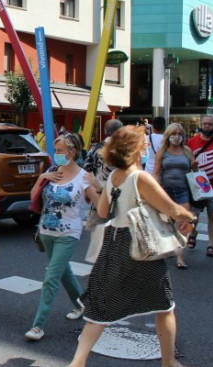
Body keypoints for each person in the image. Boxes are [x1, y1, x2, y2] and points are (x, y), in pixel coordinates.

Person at [66, 125, 195, 367]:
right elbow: (172, 208)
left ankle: (77, 362)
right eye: (143, 143)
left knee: (101, 307)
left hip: (115, 243)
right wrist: (189, 218)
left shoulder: (114, 176)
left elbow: (104, 211)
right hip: (140, 247)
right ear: (136, 149)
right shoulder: (140, 177)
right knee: (165, 306)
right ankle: (168, 362)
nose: (146, 146)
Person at [24, 134, 102, 341]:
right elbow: (32, 196)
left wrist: (99, 186)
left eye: (60, 150)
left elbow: (101, 205)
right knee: (64, 271)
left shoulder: (83, 177)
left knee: (51, 277)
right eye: (56, 150)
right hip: (46, 232)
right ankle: (80, 304)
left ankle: (37, 326)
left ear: (72, 152)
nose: (56, 154)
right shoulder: (51, 171)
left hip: (69, 234)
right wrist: (42, 178)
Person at [154, 123, 195, 269]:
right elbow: (156, 172)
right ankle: (169, 247)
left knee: (184, 222)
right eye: (174, 133)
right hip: (166, 191)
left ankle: (180, 257)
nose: (176, 137)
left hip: (183, 190)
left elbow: (194, 171)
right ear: (168, 135)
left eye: (179, 134)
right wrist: (154, 191)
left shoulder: (187, 151)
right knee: (167, 223)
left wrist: (195, 166)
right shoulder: (163, 151)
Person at [186, 115, 213, 258]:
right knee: (194, 215)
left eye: (210, 124)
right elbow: (186, 160)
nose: (207, 127)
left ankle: (211, 244)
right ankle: (192, 232)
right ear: (201, 125)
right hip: (197, 185)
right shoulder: (192, 141)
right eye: (205, 124)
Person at [84, 119, 123, 185]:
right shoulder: (122, 149)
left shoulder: (95, 148)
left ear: (105, 131)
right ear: (120, 131)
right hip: (117, 187)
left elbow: (86, 167)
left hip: (97, 186)